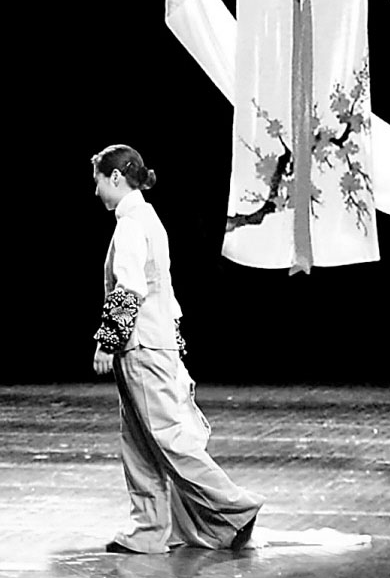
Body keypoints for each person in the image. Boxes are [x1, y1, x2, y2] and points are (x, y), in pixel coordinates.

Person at [91, 144, 264, 554]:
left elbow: (131, 288)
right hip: (152, 343)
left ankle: (235, 507)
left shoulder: (132, 225)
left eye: (97, 180)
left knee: (167, 438)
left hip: (142, 346)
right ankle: (149, 528)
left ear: (115, 177)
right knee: (139, 441)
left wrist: (107, 341)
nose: (95, 190)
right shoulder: (148, 219)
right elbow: (165, 294)